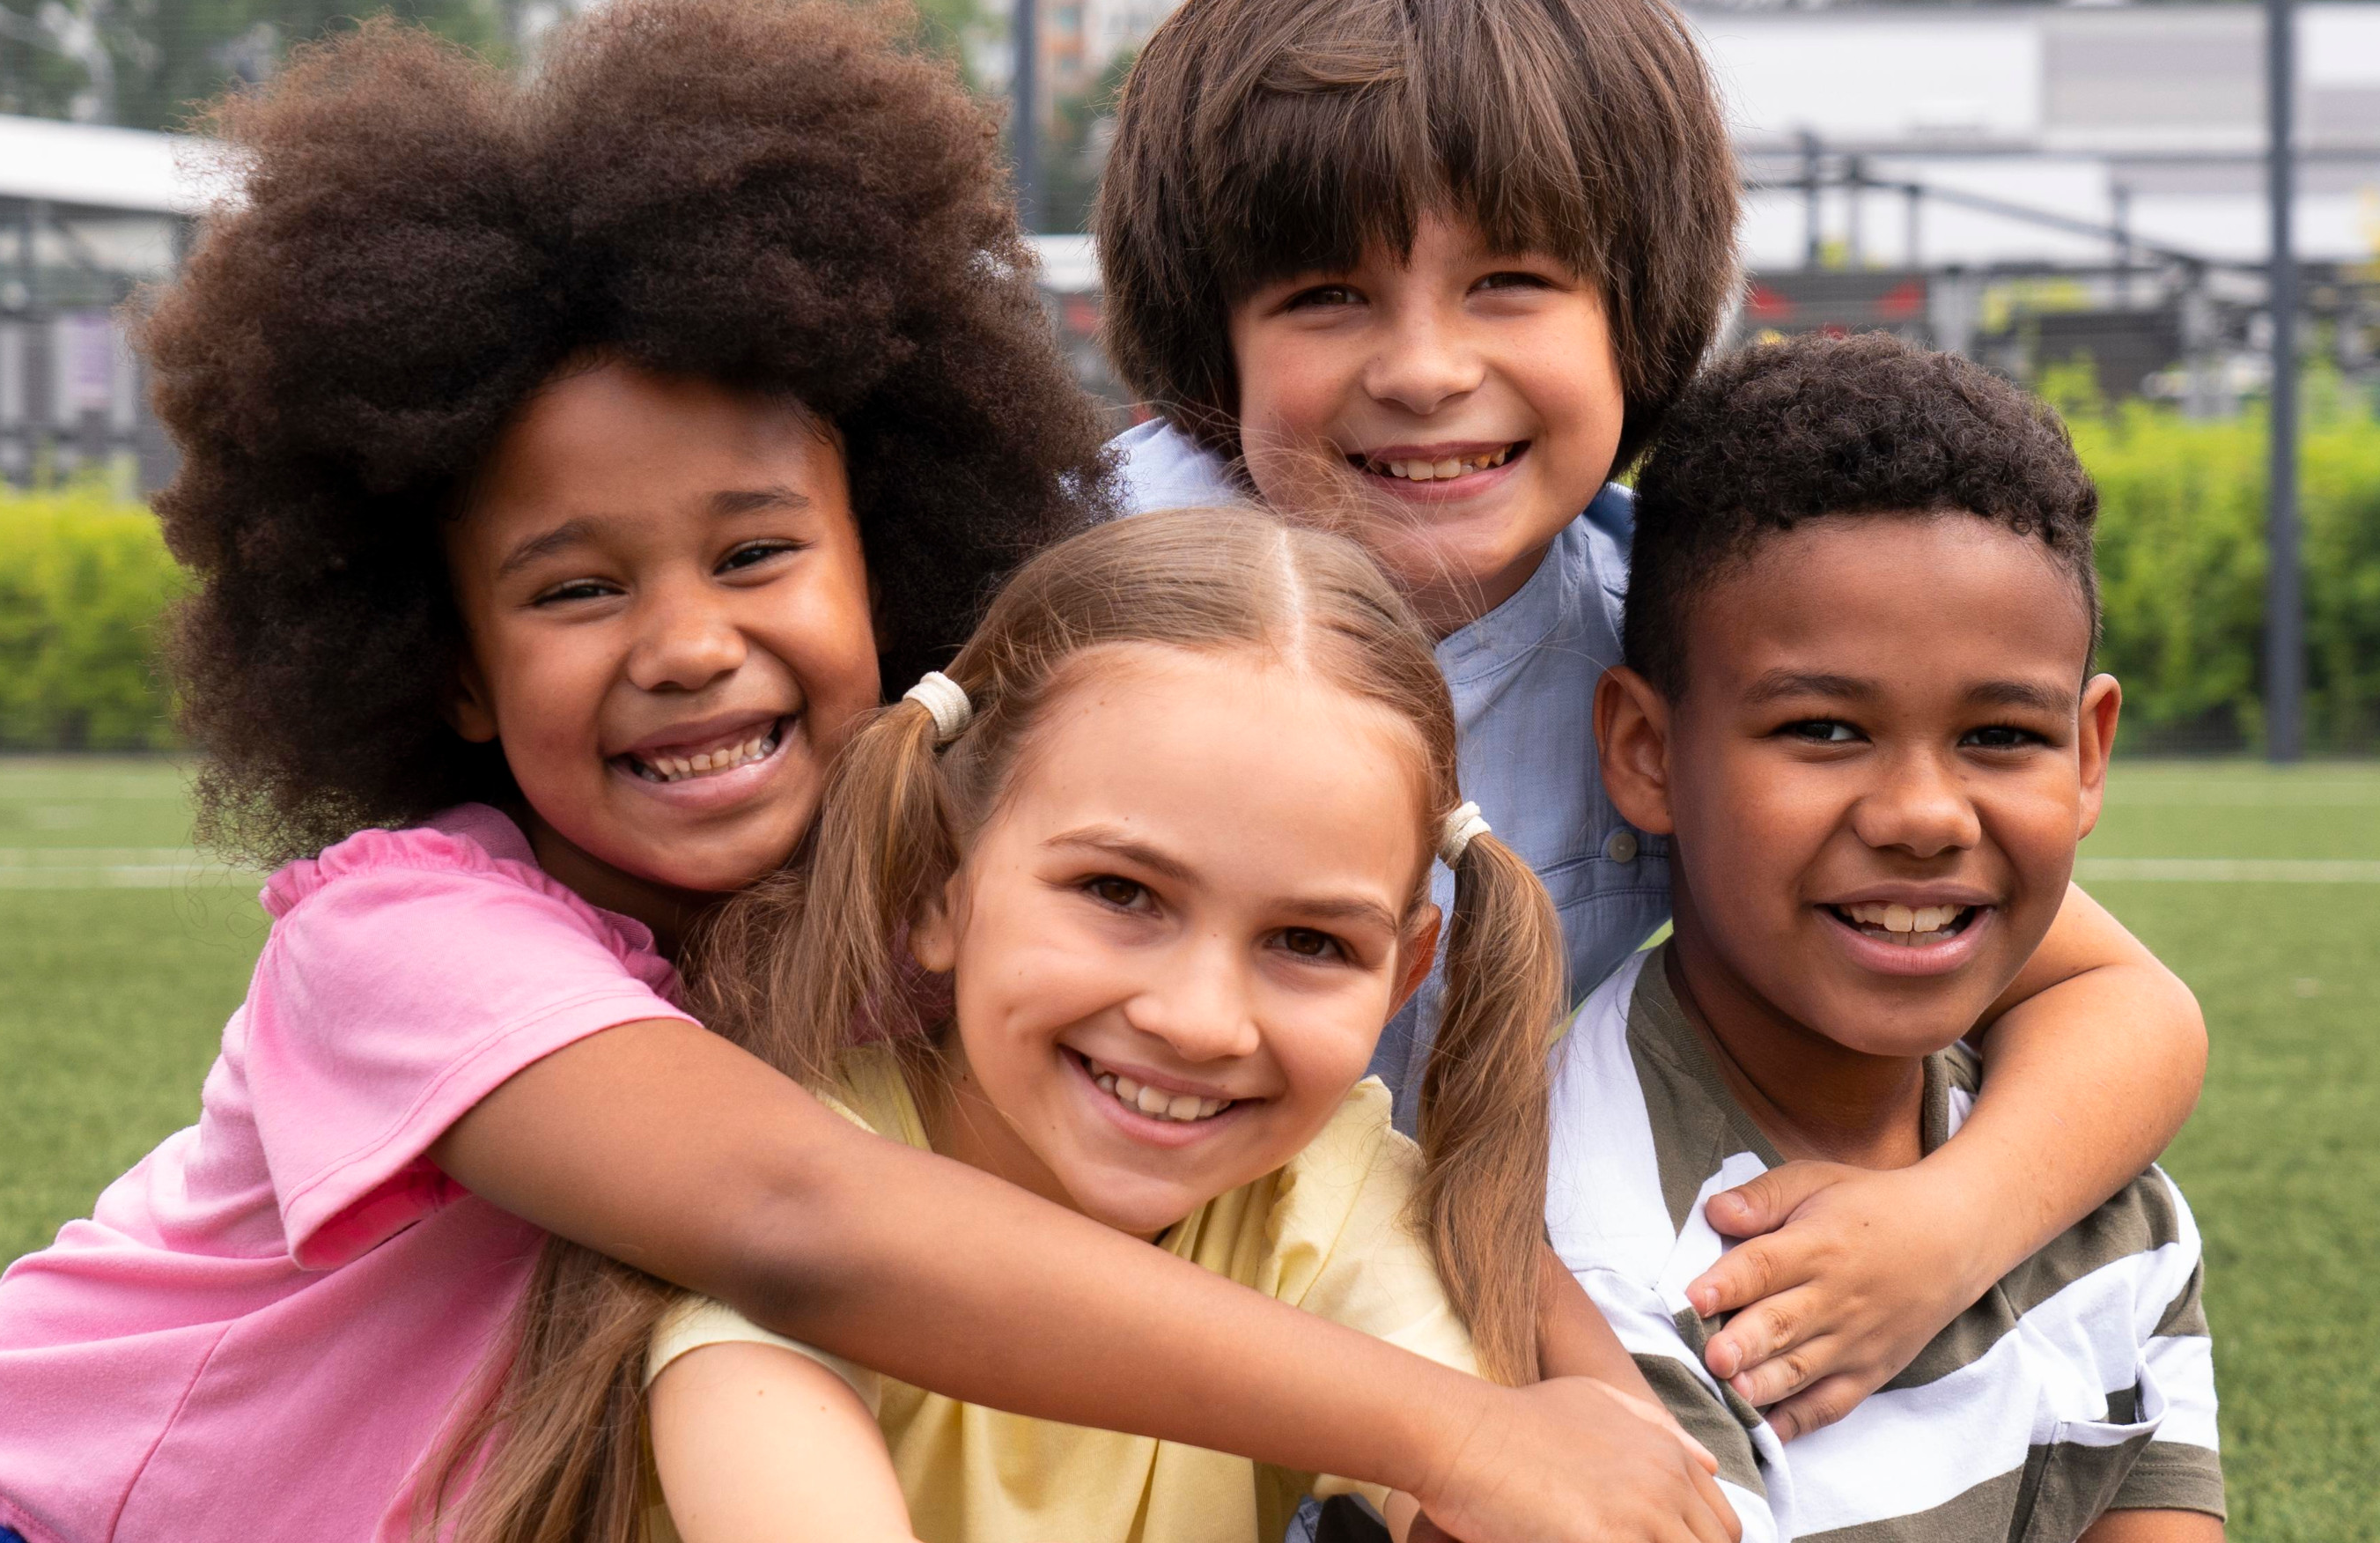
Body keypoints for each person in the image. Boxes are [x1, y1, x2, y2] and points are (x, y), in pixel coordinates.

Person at [0, 8, 1727, 1542]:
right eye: (574, 589)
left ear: (892, 551)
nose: (681, 643)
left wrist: (1566, 1396)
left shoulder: (933, 854)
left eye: (754, 557)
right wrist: (1452, 1437)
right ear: (448, 663)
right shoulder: (404, 941)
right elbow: (796, 1225)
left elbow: (1364, 1172)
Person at [1092, 0, 2210, 1440]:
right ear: (1212, 338)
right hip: (1065, 1321)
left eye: (1510, 280)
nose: (1425, 368)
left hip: (1444, 1327)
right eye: (1327, 294)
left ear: (1639, 312)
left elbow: (2125, 1005)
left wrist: (1942, 1230)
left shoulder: (1666, 647)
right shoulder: (1060, 597)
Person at [445, 507, 1728, 1543]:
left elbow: (1506, 1500)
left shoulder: (1333, 1195)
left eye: (1307, 944)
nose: (1197, 1019)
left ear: (1404, 979)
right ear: (936, 888)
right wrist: (1463, 1440)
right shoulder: (787, 1187)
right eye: (1120, 894)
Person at [1553, 334, 2222, 1542]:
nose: (1923, 816)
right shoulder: (1605, 1264)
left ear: (2091, 753)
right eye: (1822, 730)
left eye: (2003, 736)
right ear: (1646, 754)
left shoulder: (2097, 1192)